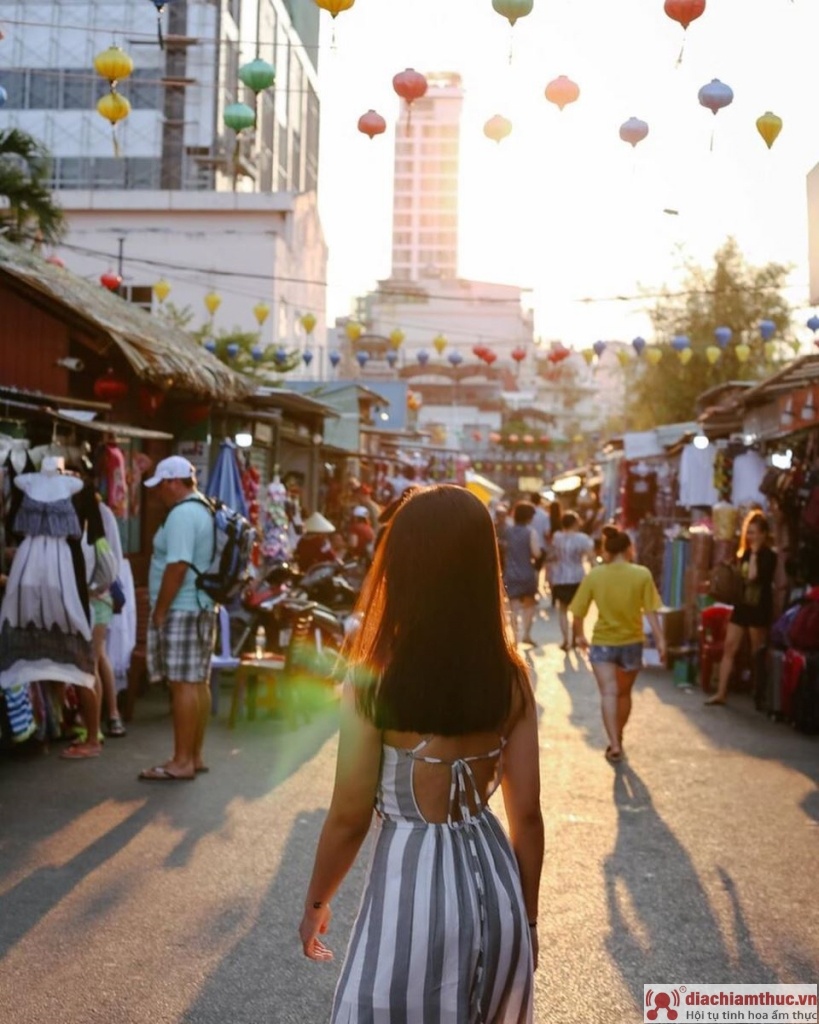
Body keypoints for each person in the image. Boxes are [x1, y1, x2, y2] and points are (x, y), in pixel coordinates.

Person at [299, 486, 543, 1022]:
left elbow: (348, 816)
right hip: (497, 893)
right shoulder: (511, 677)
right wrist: (527, 920)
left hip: (412, 892)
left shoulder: (375, 678)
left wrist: (317, 903)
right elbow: (526, 814)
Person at [139, 456, 217, 782]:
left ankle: (182, 760)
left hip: (183, 608)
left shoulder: (183, 514)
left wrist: (160, 610)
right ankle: (194, 756)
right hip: (199, 606)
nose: (157, 492)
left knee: (183, 684)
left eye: (160, 484)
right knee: (197, 681)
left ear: (173, 481)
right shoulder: (203, 507)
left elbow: (178, 565)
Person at [569, 528, 665, 762]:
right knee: (623, 694)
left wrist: (579, 636)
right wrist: (661, 639)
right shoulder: (642, 574)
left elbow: (578, 612)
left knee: (609, 693)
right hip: (632, 642)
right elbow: (651, 611)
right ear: (629, 548)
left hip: (603, 643)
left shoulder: (596, 575)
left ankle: (613, 742)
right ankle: (617, 736)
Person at [705, 510, 776, 707]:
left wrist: (754, 554)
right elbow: (742, 578)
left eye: (754, 532)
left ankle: (759, 692)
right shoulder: (743, 553)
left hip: (759, 607)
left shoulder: (769, 556)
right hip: (742, 605)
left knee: (756, 652)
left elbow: (753, 577)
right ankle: (721, 693)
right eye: (749, 532)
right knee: (729, 647)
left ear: (763, 534)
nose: (751, 537)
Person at [549, 511, 595, 651]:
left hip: (560, 577)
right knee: (577, 610)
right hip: (577, 577)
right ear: (575, 523)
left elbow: (553, 555)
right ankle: (575, 639)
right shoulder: (582, 538)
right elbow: (591, 557)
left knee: (562, 610)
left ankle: (565, 640)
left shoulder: (557, 537)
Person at [502, 500, 541, 646]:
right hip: (527, 573)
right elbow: (536, 553)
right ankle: (527, 635)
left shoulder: (507, 531)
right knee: (529, 606)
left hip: (510, 573)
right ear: (528, 517)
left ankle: (513, 638)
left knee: (513, 608)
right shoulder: (531, 532)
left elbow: (504, 549)